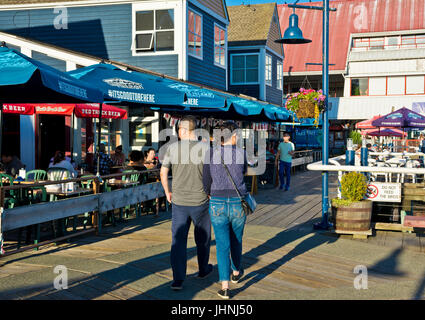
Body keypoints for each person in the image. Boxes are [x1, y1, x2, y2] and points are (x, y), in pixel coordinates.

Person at [160, 115, 212, 291]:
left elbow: (163, 172)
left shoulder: (171, 148)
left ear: (182, 130)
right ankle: (203, 269)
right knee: (203, 239)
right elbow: (213, 173)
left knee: (178, 241)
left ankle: (178, 279)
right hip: (201, 201)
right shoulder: (205, 148)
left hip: (179, 202)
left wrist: (167, 191)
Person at [203, 121, 247, 300]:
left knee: (222, 245)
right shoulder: (241, 153)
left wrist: (209, 194)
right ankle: (236, 272)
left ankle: (225, 286)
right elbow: (243, 173)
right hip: (238, 201)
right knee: (236, 239)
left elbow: (206, 179)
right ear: (234, 135)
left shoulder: (210, 153)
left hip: (217, 200)